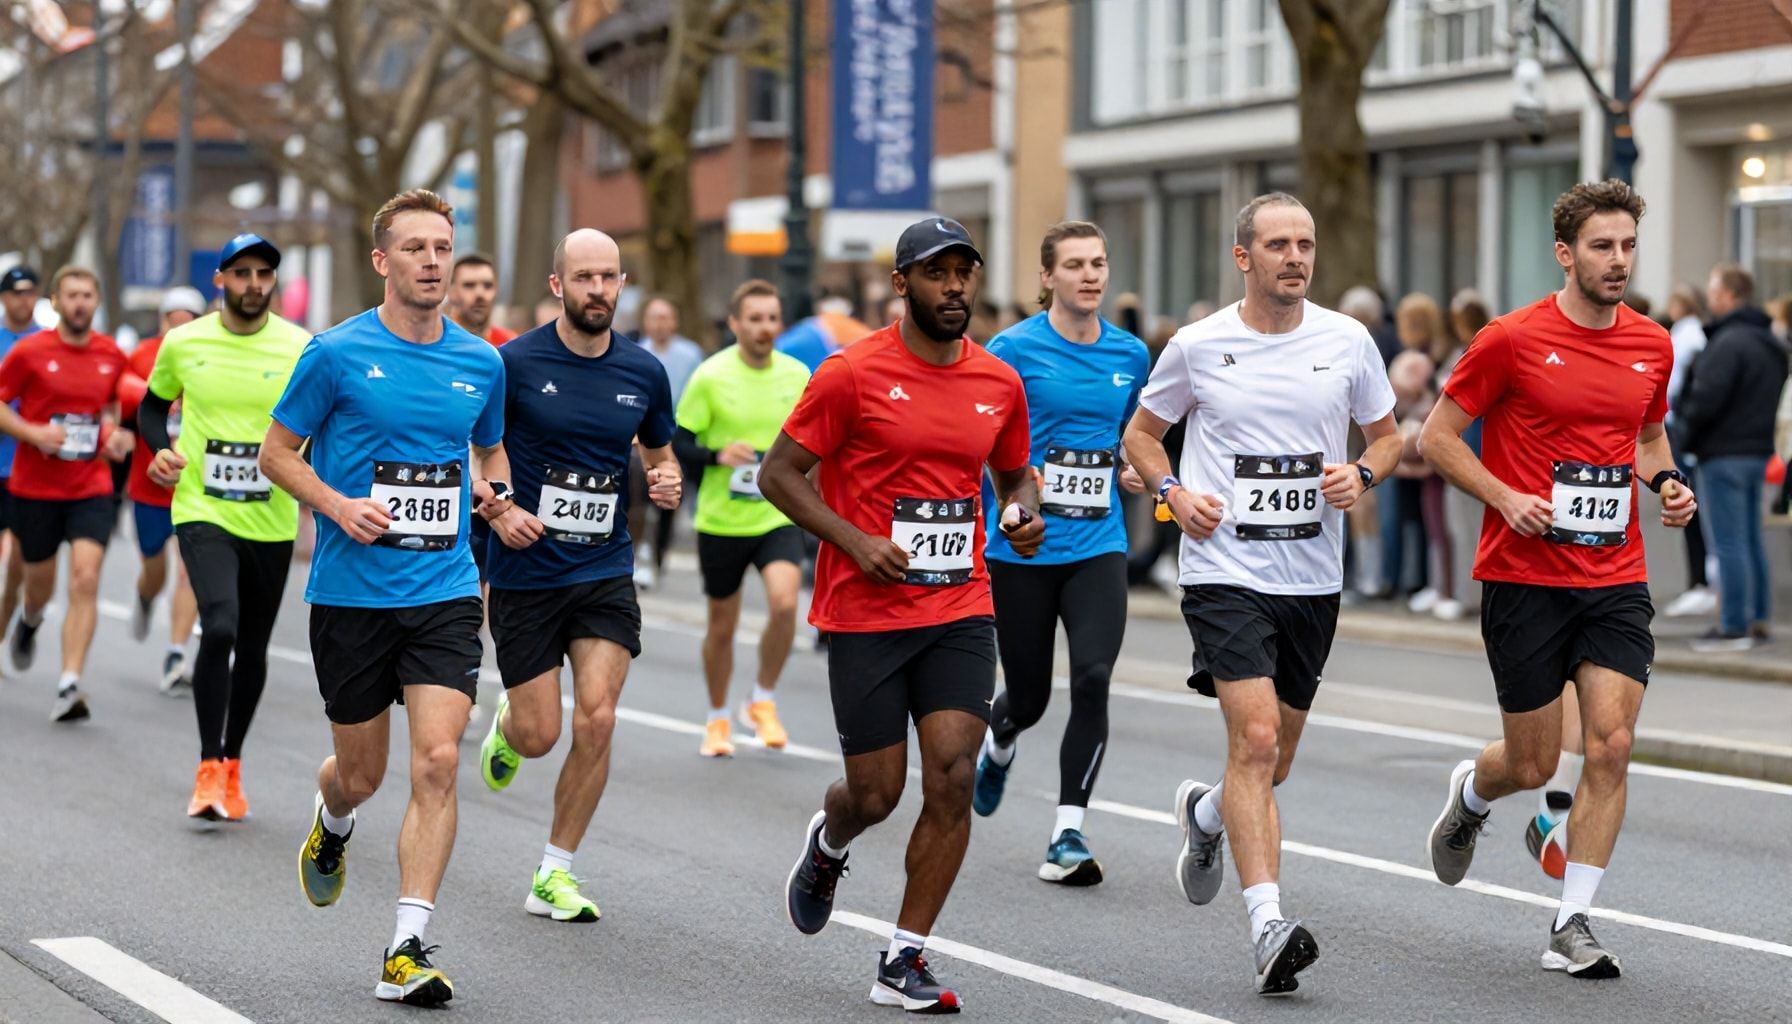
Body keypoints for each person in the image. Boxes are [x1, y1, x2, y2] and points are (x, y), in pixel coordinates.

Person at [761, 218, 1042, 1013]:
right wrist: (855, 542)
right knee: (875, 794)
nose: (955, 287)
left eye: (965, 273)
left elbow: (1017, 476)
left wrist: (1022, 513)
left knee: (952, 775)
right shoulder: (850, 374)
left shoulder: (998, 383)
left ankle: (904, 957)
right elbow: (781, 476)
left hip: (960, 604)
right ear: (901, 284)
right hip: (865, 611)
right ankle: (830, 840)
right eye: (937, 274)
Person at [1123, 193, 1400, 996]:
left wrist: (1364, 471)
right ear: (1243, 257)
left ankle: (1206, 816)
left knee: (1273, 760)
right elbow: (1140, 436)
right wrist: (1174, 493)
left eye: (1306, 243)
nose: (1296, 256)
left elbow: (1389, 433)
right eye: (1278, 243)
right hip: (1222, 572)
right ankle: (1268, 925)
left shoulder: (1347, 341)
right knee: (1253, 742)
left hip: (1313, 577)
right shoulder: (1198, 345)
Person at [1419, 179, 1697, 979]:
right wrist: (1506, 497)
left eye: (1628, 246)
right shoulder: (1509, 339)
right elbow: (1438, 439)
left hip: (1614, 573)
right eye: (1603, 247)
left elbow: (1647, 437)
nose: (1618, 262)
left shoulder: (1652, 343)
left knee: (1610, 743)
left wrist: (1668, 483)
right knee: (1534, 763)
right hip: (1523, 575)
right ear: (1565, 254)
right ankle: (1473, 795)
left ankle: (1572, 920)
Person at [261, 190, 505, 1006]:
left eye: (442, 247)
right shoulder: (333, 354)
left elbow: (489, 448)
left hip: (443, 587)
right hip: (351, 594)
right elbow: (276, 453)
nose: (433, 262)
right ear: (382, 262)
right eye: (416, 249)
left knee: (438, 760)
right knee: (361, 776)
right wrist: (337, 505)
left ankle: (407, 944)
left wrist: (496, 497)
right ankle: (332, 824)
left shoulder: (481, 361)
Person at [472, 229, 682, 924]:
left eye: (609, 277)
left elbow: (658, 450)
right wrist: (499, 511)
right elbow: (477, 447)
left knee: (598, 716)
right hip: (528, 569)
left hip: (603, 566)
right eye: (584, 278)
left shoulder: (643, 372)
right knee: (542, 735)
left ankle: (554, 872)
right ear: (558, 284)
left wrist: (665, 478)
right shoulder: (515, 363)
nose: (598, 290)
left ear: (623, 285)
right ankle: (510, 725)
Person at [969, 220, 1149, 885]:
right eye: (1074, 265)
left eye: (1098, 263)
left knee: (1095, 678)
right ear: (1047, 277)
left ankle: (1067, 832)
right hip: (1022, 549)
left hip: (1098, 544)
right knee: (1031, 698)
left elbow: (1137, 434)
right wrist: (1017, 490)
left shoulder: (1131, 354)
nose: (1091, 275)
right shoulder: (1011, 349)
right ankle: (1002, 736)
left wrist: (1135, 467)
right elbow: (982, 442)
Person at [136, 235, 310, 821]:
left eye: (264, 273)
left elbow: (327, 420)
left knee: (254, 645)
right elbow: (151, 407)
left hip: (272, 514)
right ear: (221, 280)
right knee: (221, 624)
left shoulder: (300, 346)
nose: (254, 283)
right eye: (242, 273)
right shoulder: (183, 342)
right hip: (201, 507)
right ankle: (208, 766)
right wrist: (160, 449)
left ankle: (233, 763)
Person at [673, 279, 808, 757]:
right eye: (754, 318)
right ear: (735, 324)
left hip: (778, 513)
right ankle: (716, 718)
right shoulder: (711, 376)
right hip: (721, 520)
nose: (764, 327)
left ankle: (762, 699)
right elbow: (678, 442)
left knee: (786, 604)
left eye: (772, 318)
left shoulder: (797, 376)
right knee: (723, 628)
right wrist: (715, 454)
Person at [0, 266, 134, 722]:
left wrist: (117, 434)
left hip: (89, 485)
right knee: (37, 587)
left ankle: (69, 683)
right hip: (35, 487)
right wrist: (30, 431)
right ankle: (30, 622)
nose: (80, 303)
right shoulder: (29, 352)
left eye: (87, 295)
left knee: (85, 578)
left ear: (96, 301)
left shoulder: (111, 354)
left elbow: (115, 408)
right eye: (71, 295)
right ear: (55, 302)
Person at [1678, 263, 1787, 651]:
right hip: (1757, 451)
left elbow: (1704, 400)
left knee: (1728, 543)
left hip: (1722, 453)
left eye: (1713, 289)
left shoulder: (1727, 343)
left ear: (1728, 294)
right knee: (1750, 539)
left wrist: (1685, 437)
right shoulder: (1769, 342)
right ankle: (1757, 618)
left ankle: (1734, 625)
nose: (1709, 297)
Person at [119, 286, 205, 692]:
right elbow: (123, 396)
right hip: (149, 485)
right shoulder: (141, 355)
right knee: (155, 570)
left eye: (191, 319)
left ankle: (175, 654)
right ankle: (146, 596)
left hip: (195, 485)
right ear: (163, 322)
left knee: (190, 571)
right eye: (175, 319)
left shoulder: (212, 355)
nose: (182, 327)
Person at [446, 253, 514, 589]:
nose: (480, 294)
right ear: (452, 291)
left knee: (489, 597)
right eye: (470, 285)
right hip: (446, 487)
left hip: (493, 487)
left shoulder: (512, 348)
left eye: (487, 285)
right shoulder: (435, 345)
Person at [629, 296, 705, 589]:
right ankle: (636, 552)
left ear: (674, 321)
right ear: (645, 322)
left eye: (666, 317)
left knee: (669, 498)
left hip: (677, 433)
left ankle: (658, 554)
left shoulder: (691, 354)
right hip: (642, 435)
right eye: (654, 317)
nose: (660, 324)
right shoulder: (637, 353)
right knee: (636, 493)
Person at [1660, 284, 1714, 619]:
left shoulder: (1688, 337)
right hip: (1673, 420)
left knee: (1686, 499)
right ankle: (1698, 581)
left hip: (1677, 424)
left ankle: (1701, 582)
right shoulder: (1685, 335)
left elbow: (1676, 381)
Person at [0, 266, 42, 643]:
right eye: (16, 292)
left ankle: (7, 629)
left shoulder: (48, 342)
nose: (23, 300)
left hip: (27, 469)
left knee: (19, 565)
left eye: (30, 292)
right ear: (3, 297)